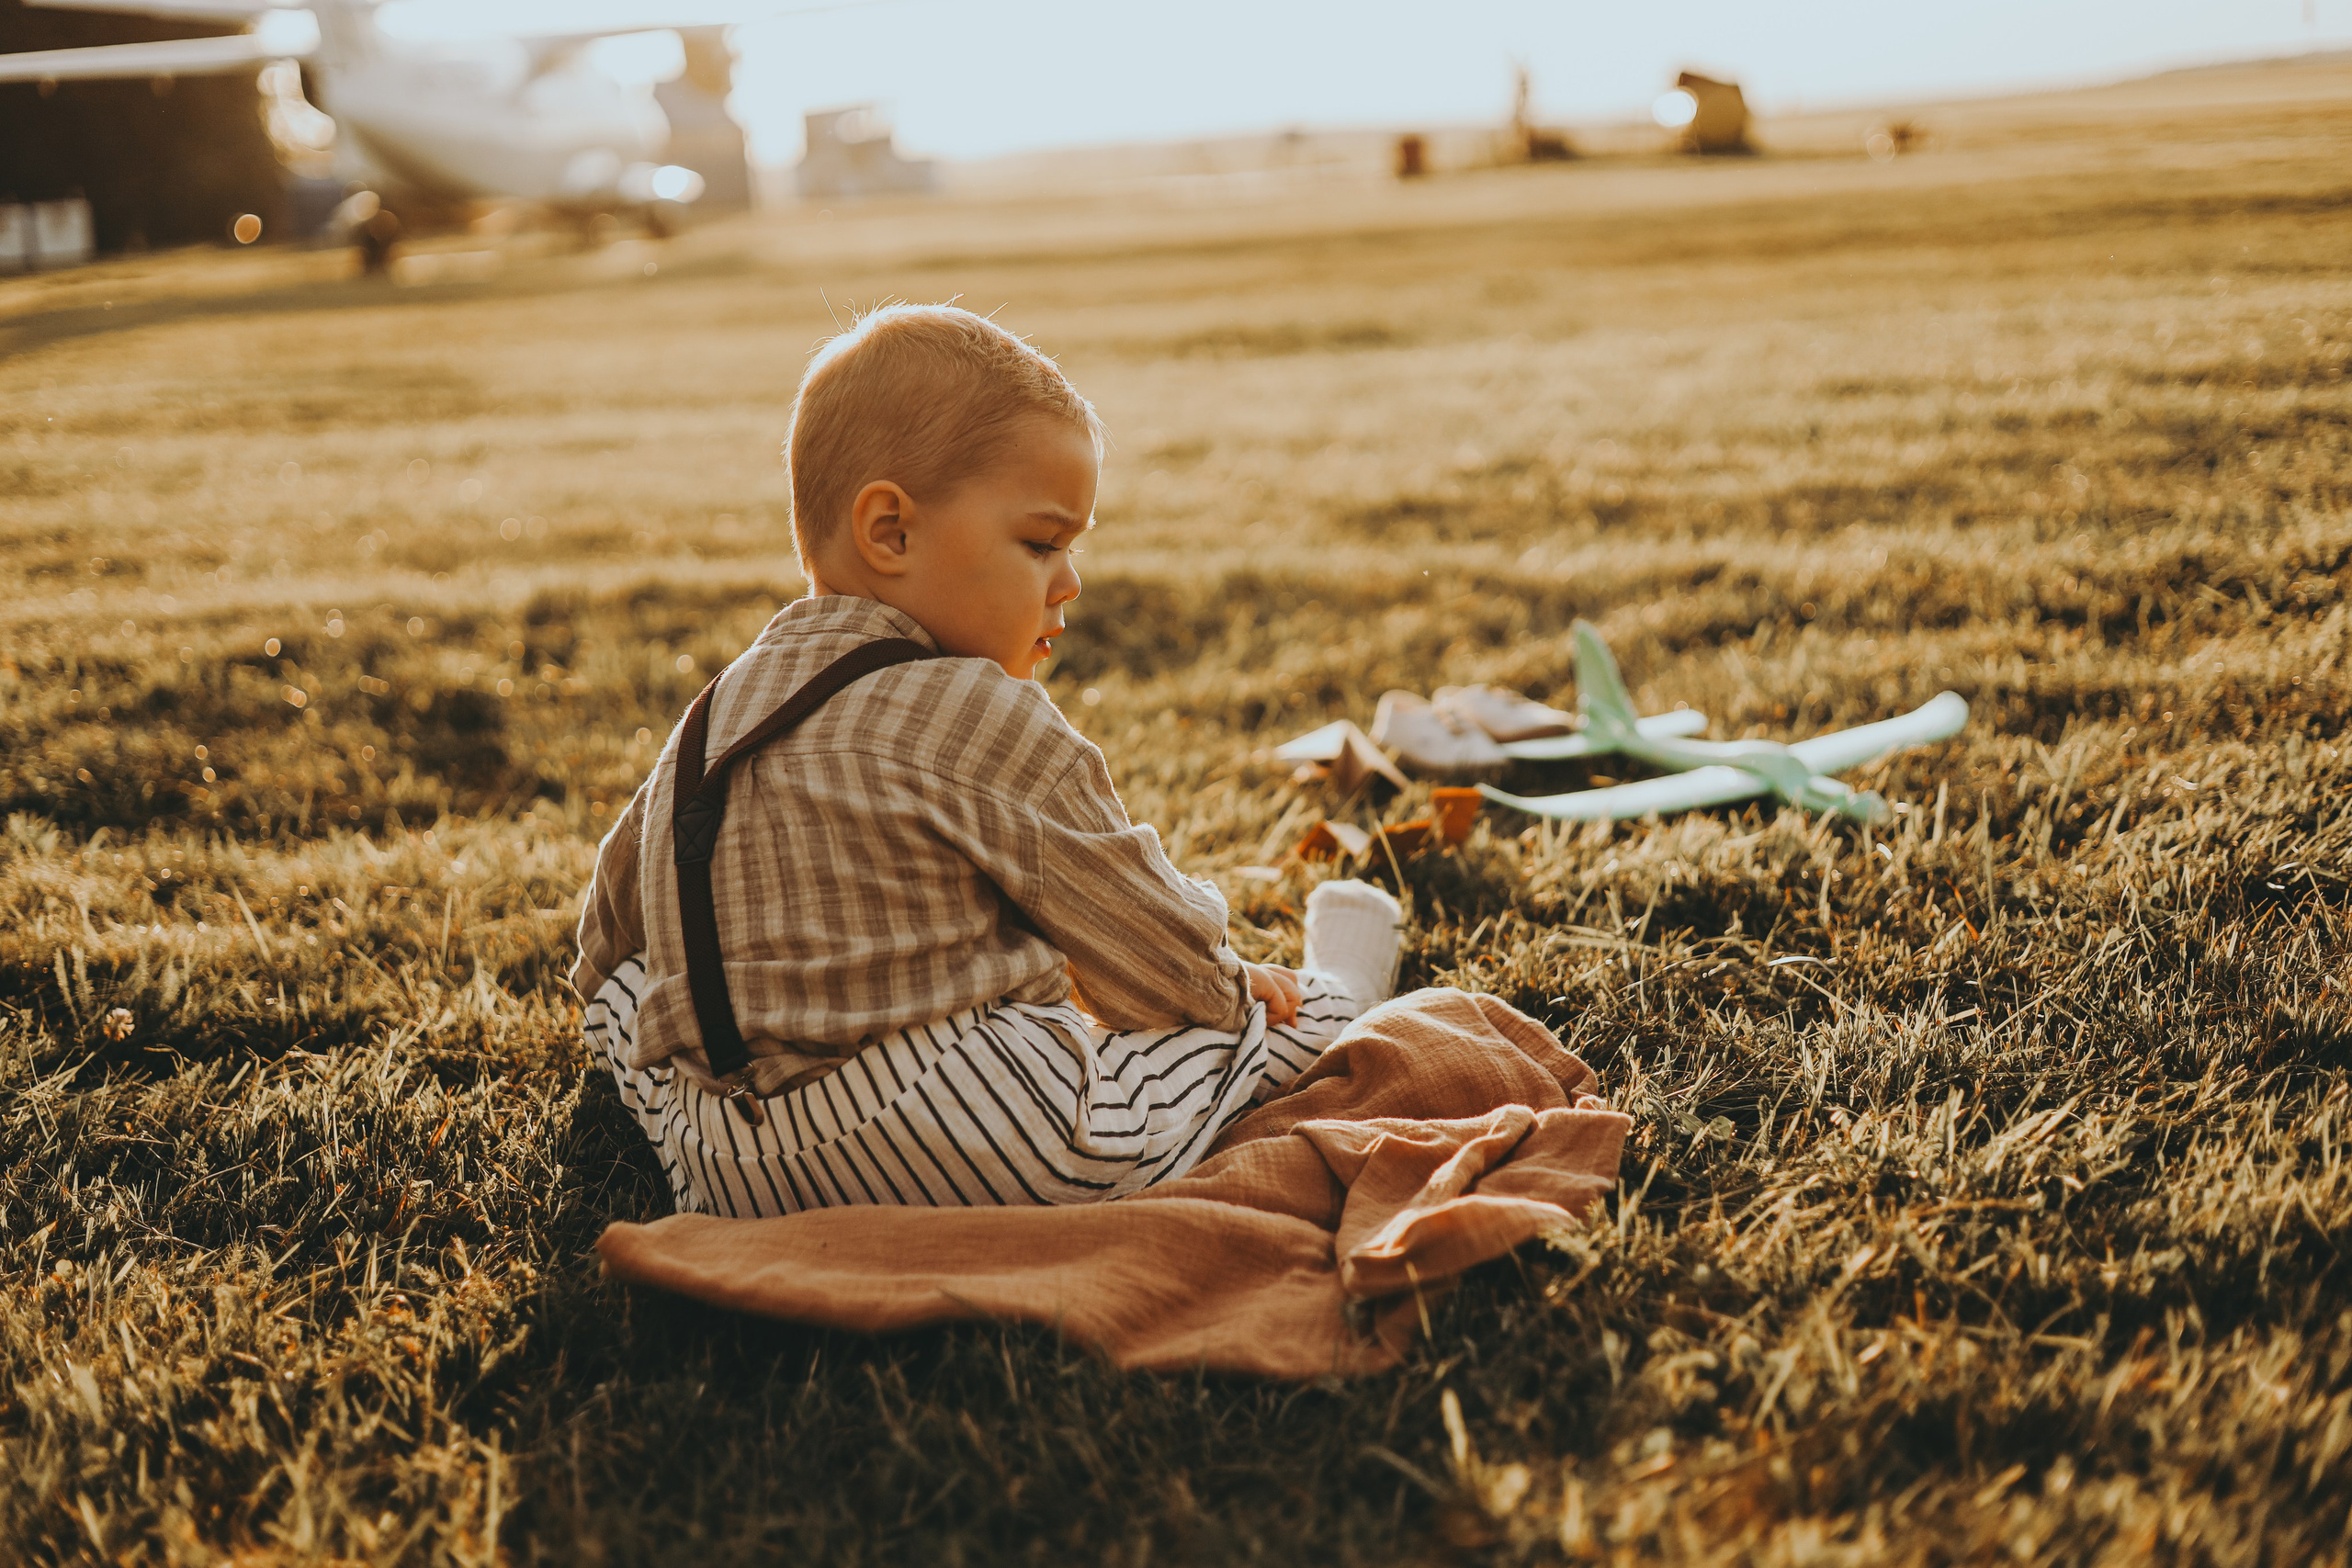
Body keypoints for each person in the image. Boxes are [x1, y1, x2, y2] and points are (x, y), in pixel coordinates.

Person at [572, 303, 1405, 1218]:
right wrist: (1229, 987)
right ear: (890, 531)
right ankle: (1343, 994)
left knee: (625, 996)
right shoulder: (975, 710)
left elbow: (614, 923)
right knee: (1236, 1038)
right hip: (959, 1133)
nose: (1070, 582)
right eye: (1041, 544)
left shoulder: (715, 715)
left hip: (726, 1165)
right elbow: (1141, 938)